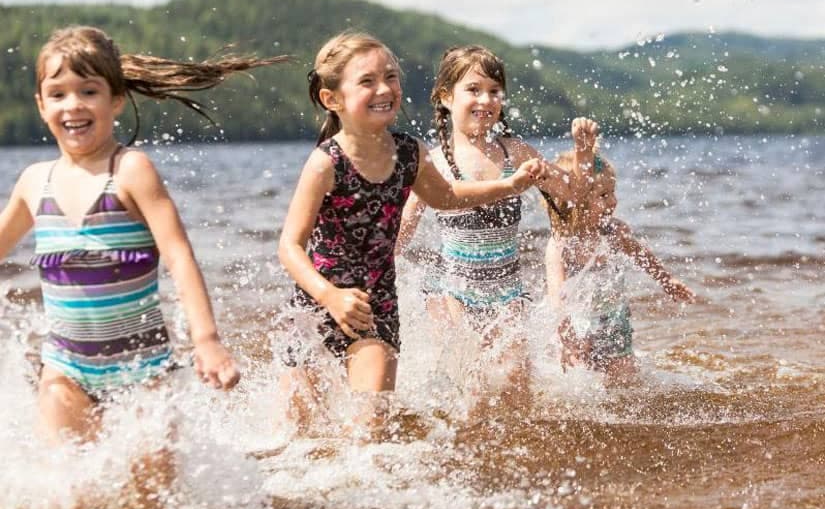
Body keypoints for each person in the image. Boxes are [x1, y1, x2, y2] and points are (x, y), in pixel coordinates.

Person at [0, 26, 286, 443]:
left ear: (116, 99)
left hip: (142, 369)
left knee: (149, 499)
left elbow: (179, 257)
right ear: (41, 105)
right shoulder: (33, 182)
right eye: (58, 94)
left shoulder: (130, 170)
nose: (72, 105)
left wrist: (206, 340)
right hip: (64, 369)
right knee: (68, 499)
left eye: (89, 91)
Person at [277, 33, 552, 428]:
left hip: (376, 307)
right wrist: (330, 296)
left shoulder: (409, 152)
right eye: (367, 81)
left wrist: (508, 186)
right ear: (331, 99)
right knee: (295, 432)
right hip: (316, 306)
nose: (385, 88)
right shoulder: (326, 163)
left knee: (371, 424)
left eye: (391, 77)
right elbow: (290, 246)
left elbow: (449, 195)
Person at [394, 45, 597, 404]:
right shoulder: (434, 164)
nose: (485, 99)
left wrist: (582, 155)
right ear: (445, 97)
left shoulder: (515, 153)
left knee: (518, 388)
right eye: (473, 89)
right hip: (451, 289)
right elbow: (401, 233)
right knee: (469, 386)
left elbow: (571, 195)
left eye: (494, 91)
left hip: (506, 292)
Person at [544, 151, 695, 385]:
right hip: (576, 325)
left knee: (625, 379)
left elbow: (641, 255)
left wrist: (666, 280)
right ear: (572, 201)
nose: (613, 201)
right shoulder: (561, 244)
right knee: (579, 384)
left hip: (614, 321)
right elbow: (556, 296)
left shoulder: (615, 232)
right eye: (603, 195)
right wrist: (567, 332)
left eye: (613, 192)